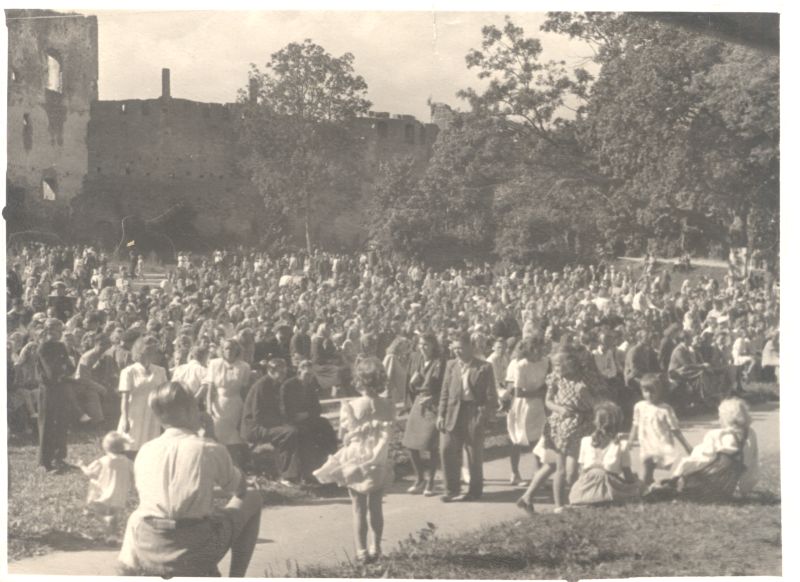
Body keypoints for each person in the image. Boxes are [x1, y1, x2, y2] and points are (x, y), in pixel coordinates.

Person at [118, 381, 262, 577]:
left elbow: (166, 493)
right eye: (197, 406)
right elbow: (241, 489)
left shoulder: (145, 450)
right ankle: (236, 577)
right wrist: (211, 437)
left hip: (147, 548)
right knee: (253, 497)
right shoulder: (208, 448)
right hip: (195, 550)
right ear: (190, 410)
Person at [313, 357, 395, 563]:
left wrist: (354, 433)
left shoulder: (351, 405)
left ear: (358, 381)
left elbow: (343, 434)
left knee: (358, 507)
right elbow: (390, 432)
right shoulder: (387, 405)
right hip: (378, 455)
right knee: (376, 505)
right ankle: (376, 546)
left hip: (356, 457)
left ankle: (361, 550)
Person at [516, 346, 596, 514]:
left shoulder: (586, 378)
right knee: (562, 468)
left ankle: (527, 498)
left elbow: (596, 401)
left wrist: (585, 394)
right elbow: (548, 401)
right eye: (555, 365)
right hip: (561, 425)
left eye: (561, 364)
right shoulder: (555, 379)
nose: (557, 368)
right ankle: (562, 505)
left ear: (573, 363)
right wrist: (559, 409)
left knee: (552, 465)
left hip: (583, 423)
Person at [648, 397, 759, 501]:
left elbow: (699, 461)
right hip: (726, 489)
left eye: (720, 416)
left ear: (726, 418)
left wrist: (677, 474)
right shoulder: (751, 434)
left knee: (675, 480)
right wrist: (744, 490)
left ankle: (669, 488)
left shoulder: (717, 435)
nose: (719, 419)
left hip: (710, 486)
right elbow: (752, 465)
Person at [437, 332, 498, 502]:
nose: (457, 352)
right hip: (452, 412)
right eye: (454, 348)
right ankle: (451, 489)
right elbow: (445, 392)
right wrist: (441, 414)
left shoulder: (484, 367)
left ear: (471, 347)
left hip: (473, 412)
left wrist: (483, 416)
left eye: (460, 348)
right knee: (446, 450)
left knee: (473, 455)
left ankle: (474, 491)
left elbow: (491, 395)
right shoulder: (451, 365)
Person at [241, 358, 303, 485]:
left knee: (297, 429)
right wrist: (281, 423)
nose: (284, 375)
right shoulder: (262, 385)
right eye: (280, 372)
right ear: (270, 371)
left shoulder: (276, 383)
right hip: (255, 427)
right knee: (289, 432)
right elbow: (258, 415)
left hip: (267, 425)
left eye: (284, 372)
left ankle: (299, 473)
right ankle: (286, 476)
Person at [568, 401, 643, 506]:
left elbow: (581, 472)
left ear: (595, 422)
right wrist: (637, 484)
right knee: (639, 486)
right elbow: (628, 474)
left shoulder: (585, 441)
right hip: (609, 489)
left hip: (585, 490)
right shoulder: (621, 445)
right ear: (618, 423)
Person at [402, 332, 446, 496]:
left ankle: (431, 481)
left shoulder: (439, 362)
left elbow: (444, 387)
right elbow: (413, 385)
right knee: (410, 443)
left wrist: (433, 397)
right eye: (420, 344)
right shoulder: (418, 360)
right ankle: (420, 478)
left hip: (433, 405)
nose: (423, 348)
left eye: (426, 345)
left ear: (434, 345)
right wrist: (413, 383)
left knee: (431, 445)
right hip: (419, 403)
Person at [627, 374, 692, 485]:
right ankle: (648, 484)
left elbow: (675, 429)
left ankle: (645, 486)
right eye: (646, 391)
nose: (649, 395)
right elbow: (635, 424)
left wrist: (686, 445)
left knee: (648, 467)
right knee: (647, 466)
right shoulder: (639, 406)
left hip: (660, 443)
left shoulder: (665, 409)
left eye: (653, 391)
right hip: (646, 442)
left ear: (659, 391)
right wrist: (630, 440)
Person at [280, 360, 338, 481]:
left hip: (307, 418)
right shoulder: (288, 386)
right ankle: (306, 473)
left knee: (326, 426)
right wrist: (297, 416)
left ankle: (331, 466)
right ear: (299, 372)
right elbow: (284, 408)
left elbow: (317, 408)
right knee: (304, 434)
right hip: (291, 420)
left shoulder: (310, 386)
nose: (309, 377)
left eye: (311, 375)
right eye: (306, 374)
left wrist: (307, 414)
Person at [503, 336, 548, 486]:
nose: (542, 351)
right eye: (539, 348)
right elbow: (518, 392)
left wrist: (545, 393)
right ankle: (514, 473)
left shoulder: (545, 361)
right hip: (521, 406)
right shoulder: (520, 365)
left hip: (538, 405)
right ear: (531, 350)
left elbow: (546, 382)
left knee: (539, 439)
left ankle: (539, 474)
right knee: (517, 439)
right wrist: (540, 394)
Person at [203, 339, 252, 468]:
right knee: (216, 434)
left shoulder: (244, 367)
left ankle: (231, 467)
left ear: (237, 350)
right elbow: (210, 389)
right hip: (218, 403)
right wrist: (209, 407)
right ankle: (213, 465)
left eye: (232, 348)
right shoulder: (214, 363)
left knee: (233, 437)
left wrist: (246, 410)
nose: (229, 351)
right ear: (222, 350)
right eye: (226, 348)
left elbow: (244, 390)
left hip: (235, 404)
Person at [79, 431, 135, 542]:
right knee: (114, 515)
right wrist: (133, 486)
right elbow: (134, 475)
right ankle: (111, 536)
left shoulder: (102, 461)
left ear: (105, 446)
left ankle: (104, 521)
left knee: (96, 512)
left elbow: (89, 473)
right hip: (119, 494)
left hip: (101, 493)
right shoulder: (128, 462)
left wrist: (81, 465)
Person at [36, 318, 75, 472]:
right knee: (47, 424)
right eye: (54, 330)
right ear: (48, 331)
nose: (58, 334)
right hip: (48, 390)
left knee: (61, 423)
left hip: (61, 388)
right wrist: (62, 369)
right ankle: (44, 462)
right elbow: (51, 373)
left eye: (60, 330)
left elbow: (70, 368)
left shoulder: (61, 346)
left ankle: (59, 458)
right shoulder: (44, 348)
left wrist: (62, 370)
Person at [118, 336, 168, 457]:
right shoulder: (128, 371)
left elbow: (164, 394)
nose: (151, 353)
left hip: (153, 413)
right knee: (130, 445)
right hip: (134, 412)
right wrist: (125, 419)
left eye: (154, 351)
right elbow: (125, 398)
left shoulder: (160, 371)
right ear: (139, 352)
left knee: (150, 447)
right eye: (148, 350)